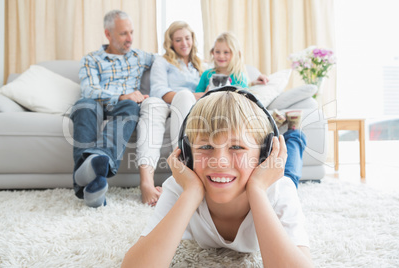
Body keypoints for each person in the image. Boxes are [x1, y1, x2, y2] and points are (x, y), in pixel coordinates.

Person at [121, 88, 313, 267]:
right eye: (205, 147)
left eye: (237, 147)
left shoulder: (279, 189)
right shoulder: (180, 187)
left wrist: (257, 190)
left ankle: (295, 134)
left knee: (291, 170)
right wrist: (192, 193)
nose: (219, 162)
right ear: (187, 153)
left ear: (264, 155)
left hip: (268, 179)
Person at [70, 10, 156, 207]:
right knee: (84, 105)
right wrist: (121, 95)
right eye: (124, 34)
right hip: (97, 105)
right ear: (108, 34)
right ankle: (93, 180)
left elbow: (170, 60)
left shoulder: (140, 57)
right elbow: (89, 90)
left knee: (130, 105)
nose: (130, 39)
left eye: (132, 32)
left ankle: (91, 180)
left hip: (125, 107)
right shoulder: (92, 59)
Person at [135, 21, 205, 206]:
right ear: (171, 42)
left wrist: (255, 80)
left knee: (184, 96)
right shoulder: (163, 61)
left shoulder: (200, 66)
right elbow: (158, 90)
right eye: (178, 39)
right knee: (151, 104)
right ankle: (146, 183)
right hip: (165, 101)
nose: (184, 43)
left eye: (187, 38)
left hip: (188, 105)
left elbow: (226, 76)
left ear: (193, 40)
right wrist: (194, 95)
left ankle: (179, 176)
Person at [196, 32, 269, 93]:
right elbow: (196, 98)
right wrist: (205, 94)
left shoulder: (239, 77)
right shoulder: (206, 75)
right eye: (217, 52)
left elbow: (244, 100)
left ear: (236, 54)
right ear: (213, 52)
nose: (221, 56)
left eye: (226, 52)